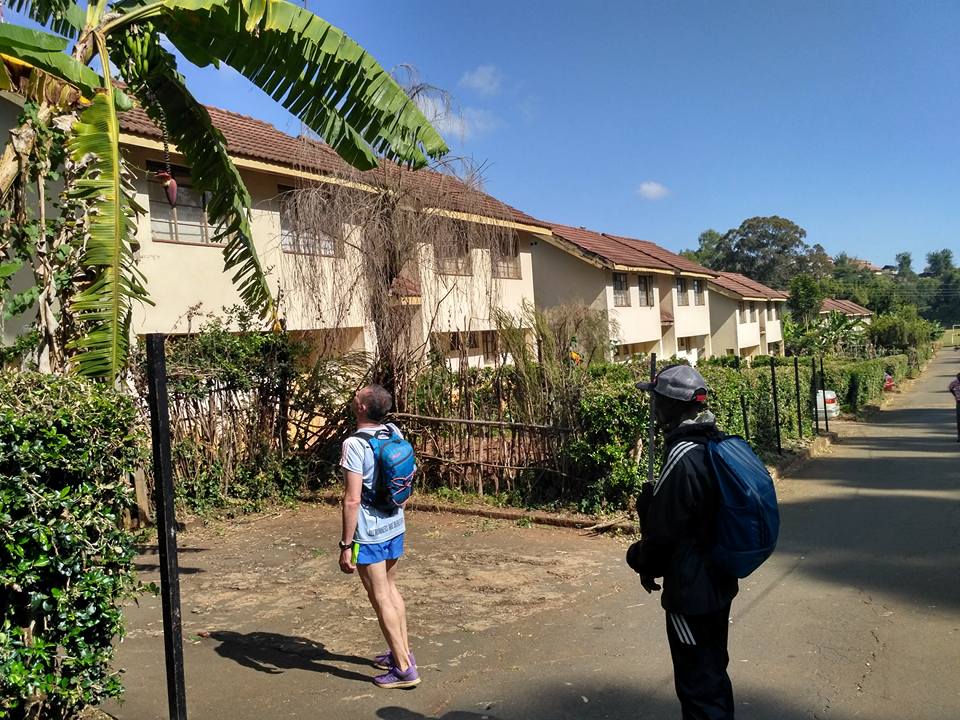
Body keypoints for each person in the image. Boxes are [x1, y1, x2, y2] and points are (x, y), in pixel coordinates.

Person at [627, 365, 739, 720]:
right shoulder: (713, 442)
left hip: (691, 592)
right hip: (719, 582)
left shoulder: (682, 456)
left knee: (697, 685)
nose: (654, 408)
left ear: (672, 405)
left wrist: (639, 560)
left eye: (657, 400)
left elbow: (663, 533)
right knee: (713, 673)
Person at [339, 384, 419, 689]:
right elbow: (407, 475)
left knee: (379, 595)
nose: (354, 396)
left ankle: (404, 669)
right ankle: (402, 652)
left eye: (357, 395)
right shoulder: (393, 432)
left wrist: (346, 545)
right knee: (391, 589)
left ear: (362, 407)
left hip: (369, 532)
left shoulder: (354, 444)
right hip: (394, 523)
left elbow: (352, 499)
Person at [949, 372, 960, 442]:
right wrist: (955, 394)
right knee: (959, 420)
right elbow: (950, 388)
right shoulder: (955, 383)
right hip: (959, 402)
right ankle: (959, 437)